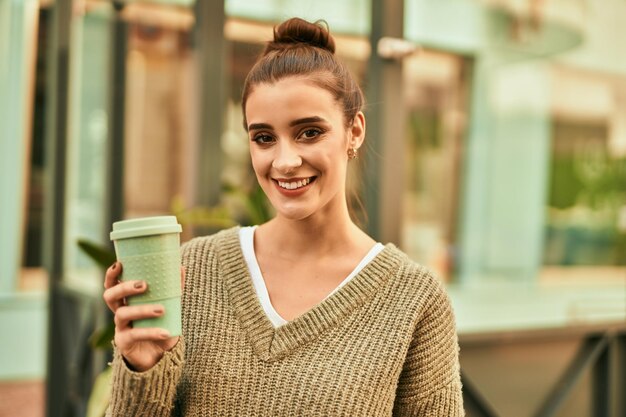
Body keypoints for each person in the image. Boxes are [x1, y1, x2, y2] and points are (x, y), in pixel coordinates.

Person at [103, 17, 464, 416]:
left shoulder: (414, 299)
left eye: (309, 132)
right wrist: (142, 365)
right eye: (264, 138)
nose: (285, 161)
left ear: (354, 131)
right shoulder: (193, 270)